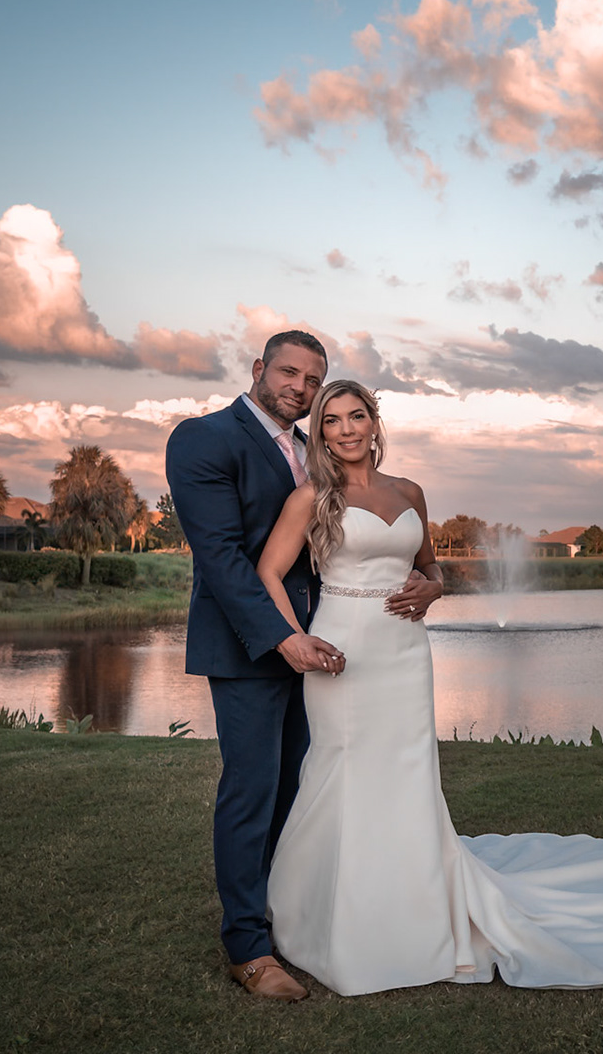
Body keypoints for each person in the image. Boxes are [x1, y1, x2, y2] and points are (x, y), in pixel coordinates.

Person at [255, 380, 603, 996]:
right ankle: (331, 911)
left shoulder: (409, 492)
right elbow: (268, 571)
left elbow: (430, 566)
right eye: (332, 420)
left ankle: (413, 899)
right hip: (342, 649)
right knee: (342, 765)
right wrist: (295, 639)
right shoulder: (311, 496)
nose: (346, 429)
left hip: (404, 650)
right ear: (322, 433)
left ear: (375, 424)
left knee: (407, 769)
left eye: (357, 416)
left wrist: (435, 587)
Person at [163, 331, 373, 1002]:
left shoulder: (315, 452)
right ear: (259, 369)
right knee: (251, 792)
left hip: (317, 645)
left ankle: (287, 916)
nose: (300, 388)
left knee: (297, 790)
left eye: (313, 380)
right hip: (250, 646)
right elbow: (222, 557)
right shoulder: (203, 439)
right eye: (288, 372)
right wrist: (285, 639)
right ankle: (248, 948)